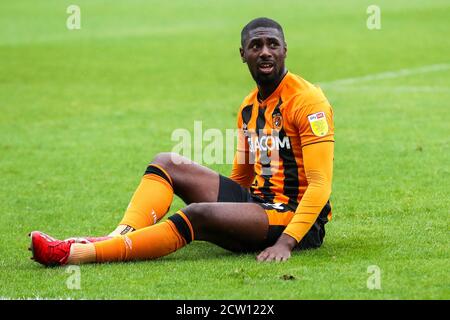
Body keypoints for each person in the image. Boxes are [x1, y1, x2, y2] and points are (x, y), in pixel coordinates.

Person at [29, 17, 335, 266]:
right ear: (243, 54)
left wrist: (286, 242)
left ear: (285, 50)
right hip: (260, 204)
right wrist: (231, 217)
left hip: (297, 218)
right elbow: (241, 178)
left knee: (197, 214)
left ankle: (79, 253)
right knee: (166, 162)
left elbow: (320, 184)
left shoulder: (308, 102)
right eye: (256, 45)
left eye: (273, 44)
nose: (265, 51)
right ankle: (117, 236)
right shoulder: (248, 107)